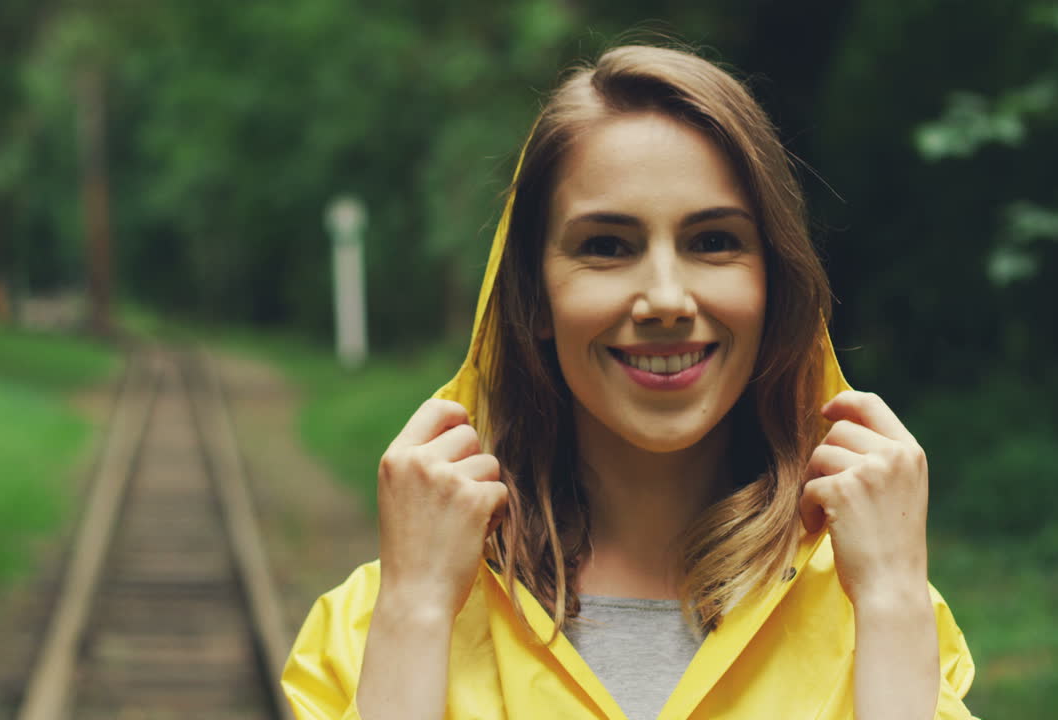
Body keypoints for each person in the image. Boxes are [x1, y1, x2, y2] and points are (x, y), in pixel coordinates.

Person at [281, 44, 977, 720]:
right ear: (534, 297)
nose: (666, 299)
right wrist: (417, 609)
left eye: (713, 241)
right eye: (607, 246)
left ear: (773, 285)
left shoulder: (880, 606)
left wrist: (891, 597)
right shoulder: (378, 618)